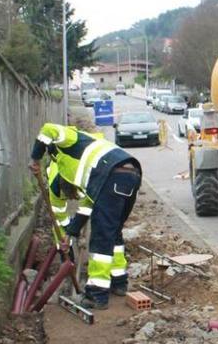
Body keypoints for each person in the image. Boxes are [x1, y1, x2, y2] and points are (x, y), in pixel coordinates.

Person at [30, 122, 141, 310]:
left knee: (100, 239)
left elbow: (48, 128)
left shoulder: (70, 139)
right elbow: (82, 209)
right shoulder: (81, 175)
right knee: (113, 232)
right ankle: (119, 282)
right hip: (131, 173)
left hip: (111, 174)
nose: (75, 197)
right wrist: (67, 238)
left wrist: (35, 159)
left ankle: (97, 295)